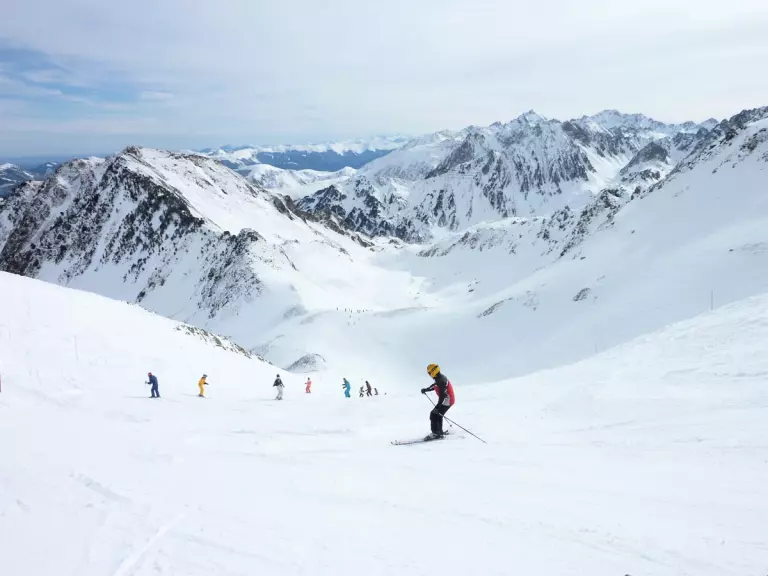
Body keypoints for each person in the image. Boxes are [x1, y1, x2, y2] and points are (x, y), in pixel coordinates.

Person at [421, 364, 455, 439]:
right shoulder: (439, 378)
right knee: (438, 415)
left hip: (448, 400)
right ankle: (439, 432)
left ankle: (436, 434)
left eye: (429, 373)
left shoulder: (441, 380)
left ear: (433, 372)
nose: (429, 375)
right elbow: (435, 386)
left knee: (433, 414)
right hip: (448, 399)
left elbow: (442, 396)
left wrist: (438, 406)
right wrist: (426, 389)